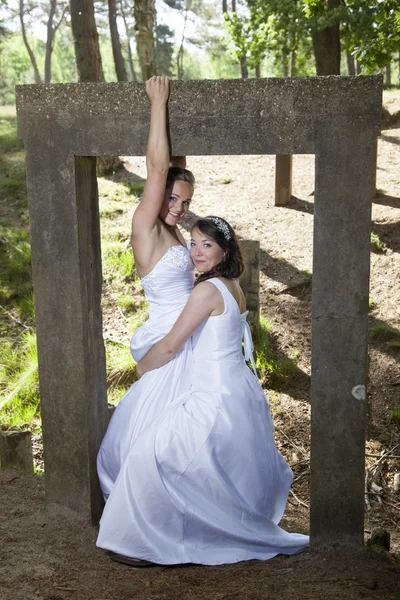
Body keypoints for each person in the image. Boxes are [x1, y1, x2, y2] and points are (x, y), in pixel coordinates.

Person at [96, 216, 309, 566]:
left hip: (214, 397)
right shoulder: (231, 283)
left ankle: (148, 542)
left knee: (148, 454)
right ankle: (178, 529)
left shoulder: (206, 291)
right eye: (193, 243)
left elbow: (170, 345)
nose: (196, 252)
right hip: (237, 389)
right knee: (190, 465)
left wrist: (140, 368)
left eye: (206, 245)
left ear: (224, 250)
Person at [97, 77, 195, 514]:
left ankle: (181, 506)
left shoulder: (174, 231)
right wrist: (159, 102)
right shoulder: (146, 226)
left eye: (185, 200)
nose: (178, 205)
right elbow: (157, 168)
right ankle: (145, 511)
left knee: (190, 431)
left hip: (192, 335)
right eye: (172, 197)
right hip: (169, 340)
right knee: (160, 429)